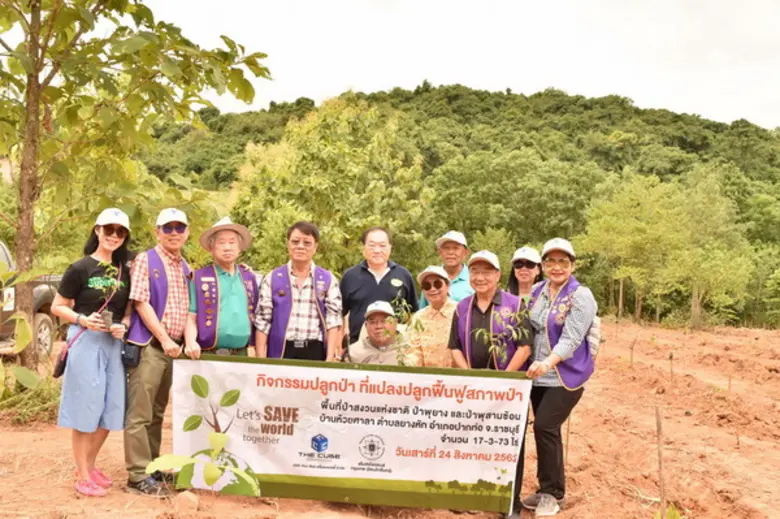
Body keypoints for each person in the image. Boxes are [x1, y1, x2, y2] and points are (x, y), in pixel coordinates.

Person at [511, 238, 597, 518]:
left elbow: (572, 339)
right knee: (546, 430)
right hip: (536, 376)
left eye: (563, 261)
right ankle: (546, 488)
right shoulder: (537, 291)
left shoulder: (580, 295)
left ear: (572, 265)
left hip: (564, 375)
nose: (557, 267)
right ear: (543, 265)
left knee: (545, 426)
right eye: (551, 261)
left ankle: (553, 493)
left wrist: (547, 362)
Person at [52, 208, 133, 497]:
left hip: (113, 343)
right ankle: (82, 473)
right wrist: (81, 319)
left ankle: (91, 464)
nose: (113, 236)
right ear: (97, 230)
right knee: (85, 407)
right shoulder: (80, 268)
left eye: (120, 232)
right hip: (86, 340)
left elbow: (127, 313)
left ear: (125, 237)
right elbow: (57, 306)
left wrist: (123, 327)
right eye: (108, 230)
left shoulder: (127, 270)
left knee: (112, 408)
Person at [124, 208, 191, 497]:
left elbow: (189, 309)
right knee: (140, 412)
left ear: (187, 232)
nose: (174, 233)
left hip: (173, 348)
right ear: (157, 232)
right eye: (168, 228)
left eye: (179, 227)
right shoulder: (145, 260)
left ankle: (152, 467)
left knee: (157, 411)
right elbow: (141, 302)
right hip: (151, 346)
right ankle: (137, 475)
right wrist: (164, 339)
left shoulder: (184, 266)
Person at [254, 221, 342, 361]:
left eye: (307, 243)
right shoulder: (272, 278)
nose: (300, 246)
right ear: (288, 244)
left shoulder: (327, 279)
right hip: (281, 350)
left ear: (315, 247)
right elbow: (263, 321)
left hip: (315, 350)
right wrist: (261, 359)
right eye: (295, 241)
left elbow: (333, 321)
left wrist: (329, 359)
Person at [184, 217, 258, 359]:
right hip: (208, 353)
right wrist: (190, 342)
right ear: (211, 247)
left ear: (239, 248)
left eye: (232, 242)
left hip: (243, 353)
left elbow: (257, 315)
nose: (227, 247)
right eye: (221, 242)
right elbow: (191, 317)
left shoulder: (249, 277)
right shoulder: (198, 277)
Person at [448, 250, 532, 371]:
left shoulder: (516, 305)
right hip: (474, 384)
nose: (480, 278)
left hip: (509, 382)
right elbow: (454, 347)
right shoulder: (462, 307)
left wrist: (503, 378)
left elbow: (525, 348)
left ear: (497, 275)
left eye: (486, 272)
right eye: (474, 272)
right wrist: (468, 375)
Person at [340, 227, 417, 344]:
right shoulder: (350, 276)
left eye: (382, 245)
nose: (377, 250)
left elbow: (413, 314)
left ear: (390, 248)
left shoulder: (403, 275)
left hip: (396, 348)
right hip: (359, 348)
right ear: (363, 248)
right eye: (371, 245)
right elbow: (339, 315)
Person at [406, 266, 457, 368]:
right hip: (427, 380)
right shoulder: (418, 317)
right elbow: (414, 352)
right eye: (426, 286)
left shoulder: (461, 312)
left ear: (448, 286)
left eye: (437, 284)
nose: (432, 289)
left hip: (458, 378)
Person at [419, 231, 473, 309]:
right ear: (440, 252)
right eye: (446, 248)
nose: (450, 252)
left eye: (456, 248)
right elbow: (423, 311)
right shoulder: (430, 277)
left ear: (465, 252)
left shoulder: (475, 278)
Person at [345, 301, 408, 365]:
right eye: (372, 322)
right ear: (366, 326)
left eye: (384, 321)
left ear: (395, 323)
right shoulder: (353, 353)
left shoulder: (410, 350)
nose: (379, 326)